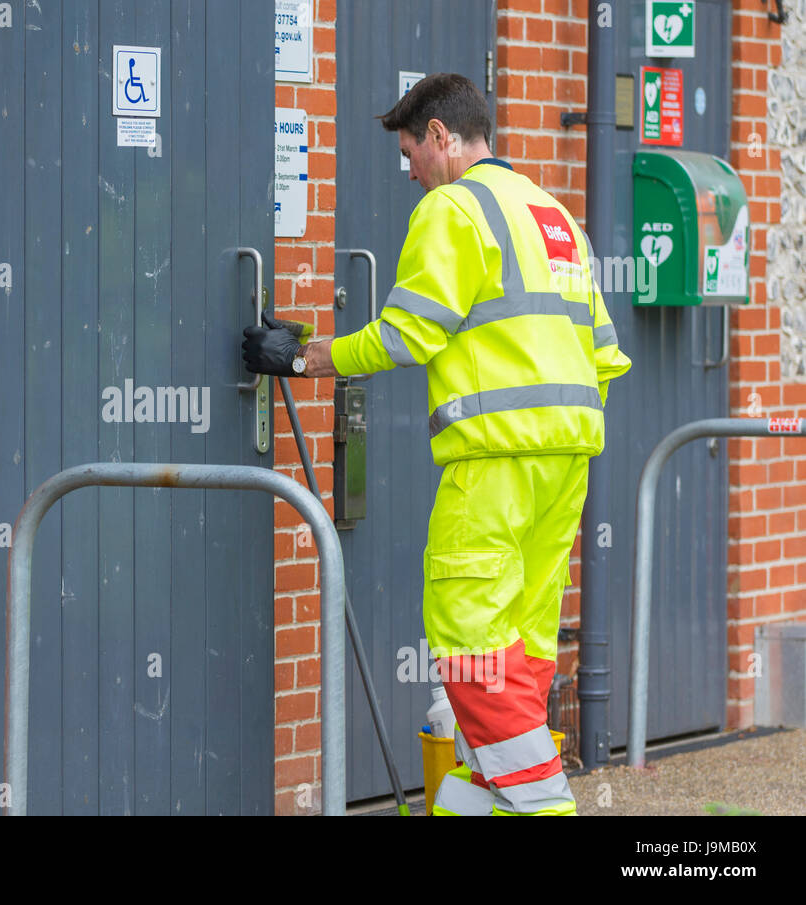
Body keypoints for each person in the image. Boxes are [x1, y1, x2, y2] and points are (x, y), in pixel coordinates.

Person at [242, 73, 632, 815]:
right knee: (520, 651)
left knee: (471, 649)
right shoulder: (556, 219)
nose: (411, 172)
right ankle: (485, 799)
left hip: (490, 468)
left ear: (443, 138)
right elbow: (606, 356)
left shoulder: (452, 209)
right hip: (565, 470)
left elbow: (406, 334)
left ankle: (546, 806)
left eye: (410, 152)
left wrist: (300, 357)